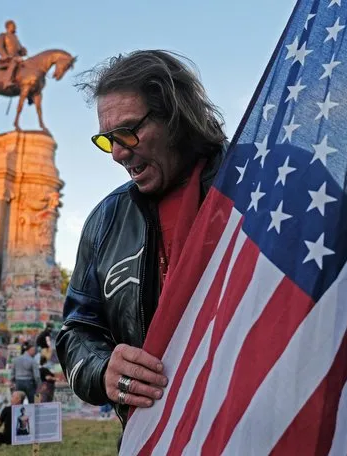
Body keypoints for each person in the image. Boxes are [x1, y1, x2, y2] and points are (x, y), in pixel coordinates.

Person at [56, 50, 226, 434]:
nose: (118, 153)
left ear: (178, 117)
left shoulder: (261, 186)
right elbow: (75, 332)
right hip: (156, 436)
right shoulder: (105, 220)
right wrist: (102, 370)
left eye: (129, 131)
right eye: (107, 140)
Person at [0, 20, 27, 89]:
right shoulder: (3, 35)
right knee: (14, 62)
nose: (15, 27)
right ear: (8, 27)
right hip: (7, 59)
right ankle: (6, 81)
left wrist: (23, 51)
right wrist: (4, 55)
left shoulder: (15, 38)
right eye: (13, 26)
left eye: (15, 26)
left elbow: (20, 50)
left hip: (17, 58)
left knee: (27, 67)